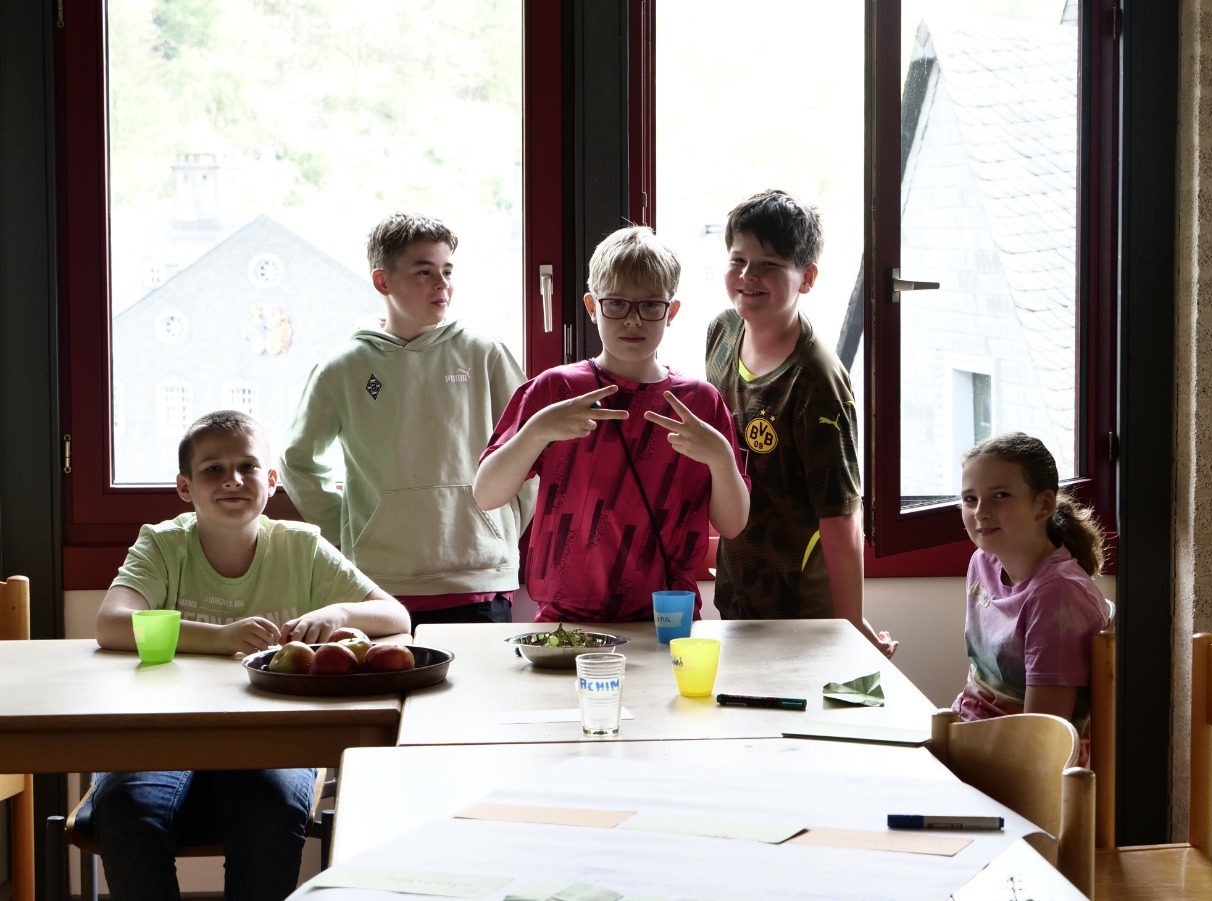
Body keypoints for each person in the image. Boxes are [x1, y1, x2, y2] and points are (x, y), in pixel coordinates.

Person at [88, 410, 411, 901]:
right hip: (162, 730)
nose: (232, 480)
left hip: (273, 736)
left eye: (248, 466)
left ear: (272, 480)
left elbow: (396, 616)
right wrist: (219, 637)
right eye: (213, 469)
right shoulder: (163, 543)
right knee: (127, 812)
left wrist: (339, 611)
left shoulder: (301, 547)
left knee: (270, 812)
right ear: (184, 487)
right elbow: (111, 624)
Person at [474, 225, 748, 622]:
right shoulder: (555, 389)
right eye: (616, 304)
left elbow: (733, 525)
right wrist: (537, 431)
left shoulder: (699, 402)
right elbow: (485, 495)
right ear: (592, 306)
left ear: (671, 311)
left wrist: (721, 458)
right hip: (565, 620)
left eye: (650, 306)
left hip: (667, 619)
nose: (633, 320)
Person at [281, 212, 531, 631]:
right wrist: (348, 534)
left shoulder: (485, 354)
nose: (442, 284)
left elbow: (530, 446)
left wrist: (504, 524)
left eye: (447, 271)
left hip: (479, 579)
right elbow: (298, 460)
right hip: (379, 585)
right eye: (424, 271)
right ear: (383, 282)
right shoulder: (342, 367)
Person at [705, 189, 896, 656]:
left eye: (768, 264)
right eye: (738, 260)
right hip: (740, 581)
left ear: (806, 278)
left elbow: (841, 515)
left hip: (804, 598)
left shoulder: (816, 381)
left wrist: (852, 627)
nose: (748, 276)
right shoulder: (721, 333)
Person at [952, 432, 1110, 752]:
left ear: (1044, 505)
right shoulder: (982, 562)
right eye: (970, 499)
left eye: (1000, 495)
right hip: (971, 732)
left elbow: (1040, 738)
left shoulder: (1057, 595)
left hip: (1021, 759)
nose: (980, 512)